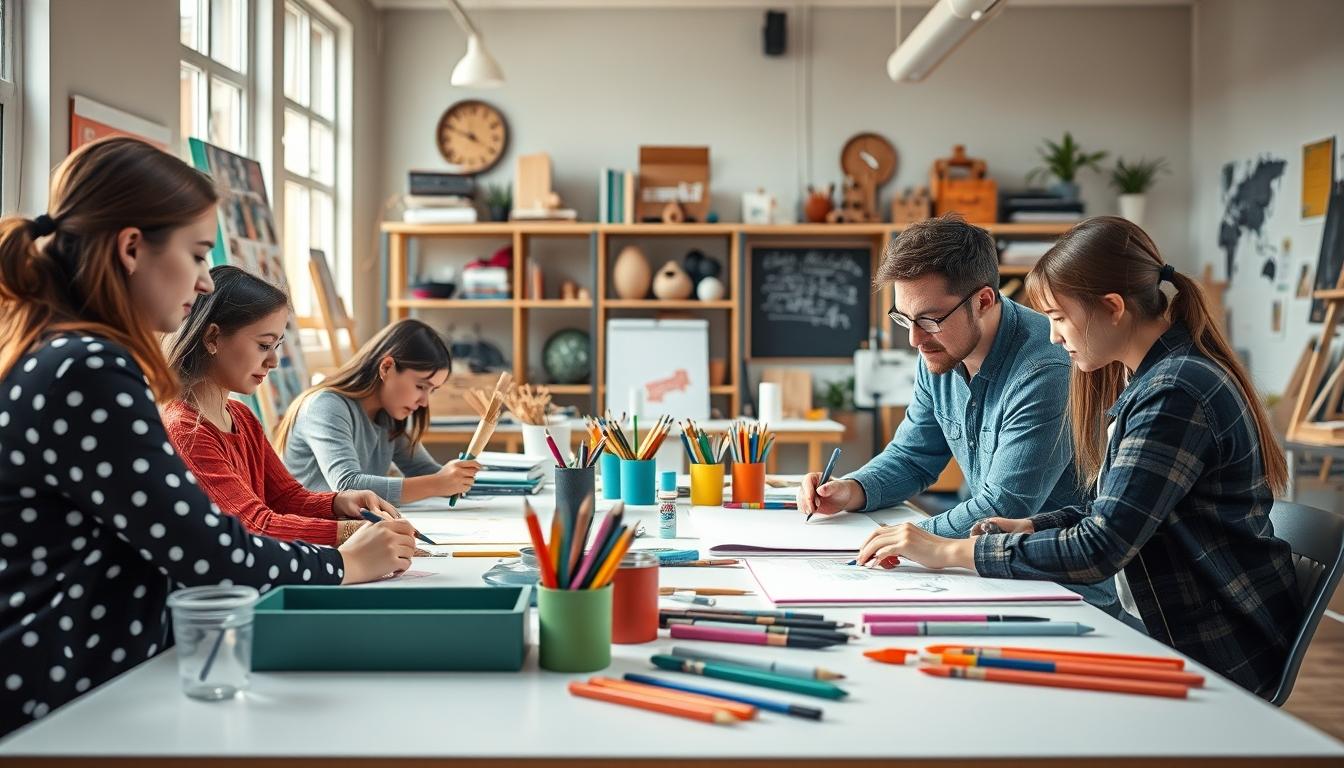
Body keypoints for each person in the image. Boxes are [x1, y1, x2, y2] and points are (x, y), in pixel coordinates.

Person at [0, 138, 414, 737]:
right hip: (62, 699)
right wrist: (341, 564)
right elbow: (208, 551)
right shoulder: (88, 368)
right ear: (133, 248)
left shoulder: (58, 354)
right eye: (197, 256)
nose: (201, 284)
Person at [853, 216, 1300, 697]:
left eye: (1060, 318)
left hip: (1215, 651)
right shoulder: (1156, 379)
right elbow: (1111, 508)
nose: (1052, 335)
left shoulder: (1174, 392)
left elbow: (1101, 546)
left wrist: (947, 550)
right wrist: (1031, 527)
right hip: (1179, 628)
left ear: (1111, 309)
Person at [797, 215, 1116, 611]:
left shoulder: (1045, 369)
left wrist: (911, 537)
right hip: (983, 577)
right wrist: (851, 490)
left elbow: (1004, 506)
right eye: (903, 318)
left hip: (1062, 596)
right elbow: (912, 457)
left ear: (983, 300)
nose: (914, 339)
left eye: (929, 319)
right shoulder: (939, 349)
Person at [163, 266, 401, 546]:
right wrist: (350, 533)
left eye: (276, 346)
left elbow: (286, 498)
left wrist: (339, 502)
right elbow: (253, 525)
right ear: (213, 337)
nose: (273, 361)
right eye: (264, 345)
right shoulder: (186, 430)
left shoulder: (241, 416)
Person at [276, 319, 480, 505]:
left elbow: (428, 473)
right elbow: (347, 486)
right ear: (387, 368)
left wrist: (461, 478)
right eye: (420, 386)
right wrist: (439, 483)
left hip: (351, 530)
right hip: (309, 537)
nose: (424, 402)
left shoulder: (388, 415)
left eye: (432, 390)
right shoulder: (325, 405)